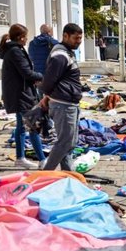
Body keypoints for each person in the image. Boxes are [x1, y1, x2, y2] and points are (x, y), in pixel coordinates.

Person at [0, 24, 47, 169]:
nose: (26, 40)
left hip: (19, 93)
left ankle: (20, 158)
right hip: (22, 95)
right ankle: (42, 160)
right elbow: (26, 72)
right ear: (20, 37)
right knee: (33, 126)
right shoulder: (15, 52)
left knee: (21, 127)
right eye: (25, 37)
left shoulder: (13, 50)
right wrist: (42, 76)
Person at [40, 23, 84, 171]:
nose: (78, 41)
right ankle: (46, 174)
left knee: (70, 143)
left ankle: (68, 174)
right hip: (63, 104)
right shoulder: (60, 55)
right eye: (76, 38)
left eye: (80, 38)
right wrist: (48, 96)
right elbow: (48, 82)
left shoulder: (67, 52)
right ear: (65, 36)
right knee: (64, 142)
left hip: (69, 103)